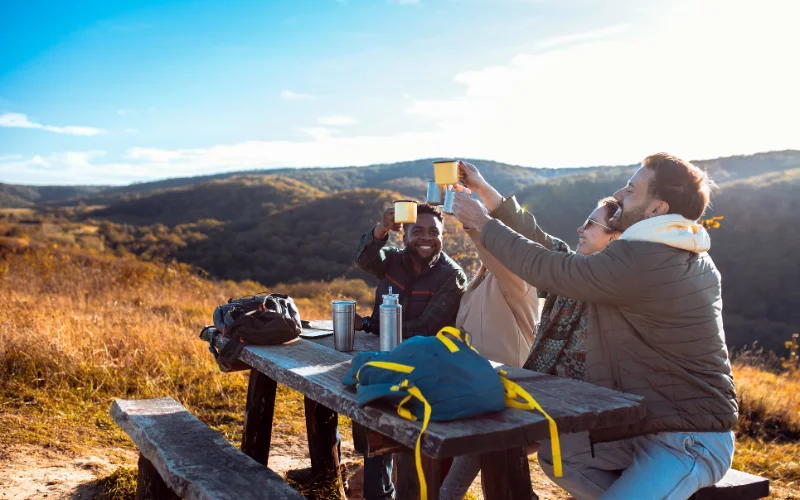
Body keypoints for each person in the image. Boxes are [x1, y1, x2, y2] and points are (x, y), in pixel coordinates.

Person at [452, 155, 738, 499]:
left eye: (632, 190)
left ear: (656, 208)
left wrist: (483, 224)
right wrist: (486, 193)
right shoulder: (667, 247)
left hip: (687, 439)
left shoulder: (646, 259)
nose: (620, 193)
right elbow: (546, 248)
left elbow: (551, 267)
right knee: (562, 456)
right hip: (645, 426)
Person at [440, 196, 622, 500]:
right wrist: (482, 190)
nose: (580, 227)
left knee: (490, 435)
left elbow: (507, 253)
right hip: (535, 393)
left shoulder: (520, 279)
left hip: (567, 406)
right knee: (487, 437)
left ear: (615, 237)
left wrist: (476, 223)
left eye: (591, 223)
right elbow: (534, 241)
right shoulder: (568, 270)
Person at [354, 202, 468, 500]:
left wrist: (369, 324)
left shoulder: (452, 276)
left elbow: (426, 328)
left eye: (434, 232)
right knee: (369, 416)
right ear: (404, 235)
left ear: (444, 236)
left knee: (406, 437)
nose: (426, 238)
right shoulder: (392, 260)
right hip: (384, 360)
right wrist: (381, 229)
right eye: (418, 231)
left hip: (426, 369)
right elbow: (365, 258)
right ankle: (377, 493)